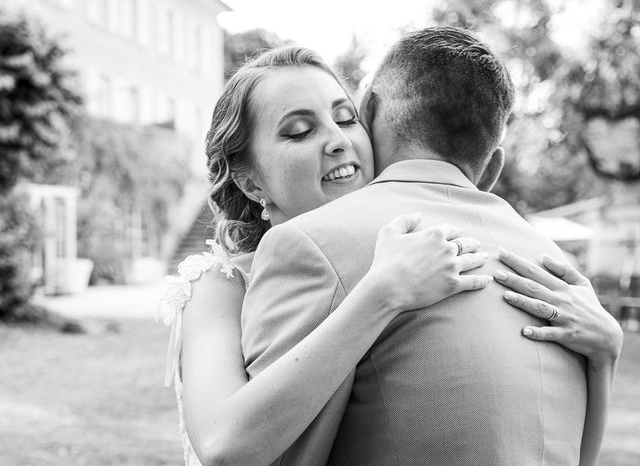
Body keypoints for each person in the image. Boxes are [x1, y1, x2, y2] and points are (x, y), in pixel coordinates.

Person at [158, 43, 622, 466]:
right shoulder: (218, 282)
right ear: (251, 181)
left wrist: (604, 355)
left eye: (345, 118)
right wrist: (383, 293)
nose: (337, 140)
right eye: (299, 132)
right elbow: (225, 446)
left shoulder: (421, 252)